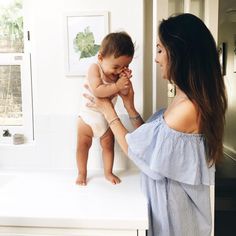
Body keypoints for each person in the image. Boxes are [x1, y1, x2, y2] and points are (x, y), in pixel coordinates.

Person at [84, 13, 227, 236]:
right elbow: (154, 149)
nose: (156, 58)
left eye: (160, 49)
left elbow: (135, 149)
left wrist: (107, 109)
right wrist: (130, 106)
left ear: (179, 54)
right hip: (167, 211)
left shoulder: (188, 109)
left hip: (177, 221)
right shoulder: (183, 99)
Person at [76, 32, 134, 186]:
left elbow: (121, 93)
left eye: (126, 66)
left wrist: (125, 84)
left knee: (109, 146)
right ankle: (82, 173)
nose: (119, 71)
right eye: (116, 66)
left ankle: (108, 172)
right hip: (87, 118)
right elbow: (97, 90)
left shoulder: (118, 77)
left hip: (106, 119)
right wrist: (117, 86)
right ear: (101, 58)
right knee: (83, 146)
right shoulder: (95, 69)